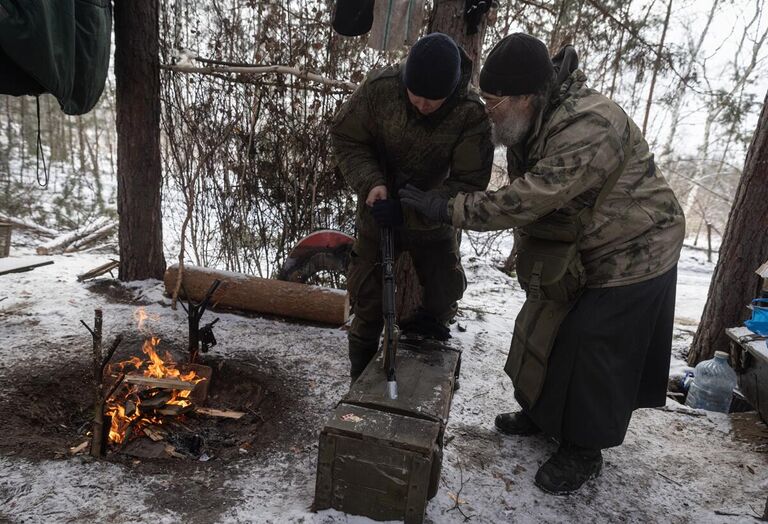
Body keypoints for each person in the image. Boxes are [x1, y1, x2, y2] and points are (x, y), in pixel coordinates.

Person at [399, 33, 685, 494]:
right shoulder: (534, 118)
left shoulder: (589, 124)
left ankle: (582, 449)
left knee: (592, 344)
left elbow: (528, 198)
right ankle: (540, 413)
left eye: (493, 104)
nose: (486, 113)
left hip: (637, 247)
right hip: (580, 241)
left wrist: (448, 209)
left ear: (525, 97)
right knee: (543, 325)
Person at [330, 32, 493, 383]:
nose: (421, 105)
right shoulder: (380, 89)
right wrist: (372, 184)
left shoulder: (470, 113)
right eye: (414, 95)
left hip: (433, 219)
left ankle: (424, 379)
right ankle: (359, 381)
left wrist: (414, 210)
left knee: (444, 292)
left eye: (432, 101)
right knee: (368, 299)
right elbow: (347, 138)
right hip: (379, 209)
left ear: (449, 93)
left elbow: (469, 183)